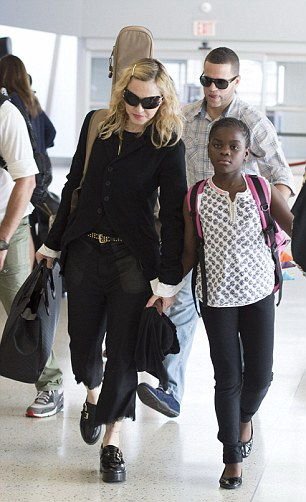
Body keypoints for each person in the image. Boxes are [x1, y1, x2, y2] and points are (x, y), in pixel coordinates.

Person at [36, 58, 187, 482]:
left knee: (122, 350)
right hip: (84, 250)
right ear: (122, 93)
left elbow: (174, 214)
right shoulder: (98, 126)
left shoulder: (167, 142)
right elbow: (75, 185)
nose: (140, 109)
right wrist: (51, 242)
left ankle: (113, 441)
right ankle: (92, 393)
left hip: (132, 260)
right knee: (83, 345)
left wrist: (169, 278)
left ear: (164, 100)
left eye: (150, 102)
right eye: (133, 99)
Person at [137, 46, 296, 418]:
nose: (212, 88)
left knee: (239, 336)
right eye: (206, 80)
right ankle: (171, 390)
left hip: (238, 249)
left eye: (220, 82)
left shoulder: (251, 122)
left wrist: (259, 219)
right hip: (189, 232)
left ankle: (242, 406)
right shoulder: (185, 117)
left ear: (236, 82)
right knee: (180, 310)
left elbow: (282, 177)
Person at [182, 117, 293, 489]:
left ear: (247, 152)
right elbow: (187, 253)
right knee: (227, 378)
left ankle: (244, 418)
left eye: (233, 146)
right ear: (209, 148)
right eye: (218, 145)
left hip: (260, 293)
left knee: (260, 376)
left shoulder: (261, 188)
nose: (225, 152)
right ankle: (231, 456)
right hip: (217, 299)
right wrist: (162, 290)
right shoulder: (196, 194)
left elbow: (294, 227)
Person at [0, 55, 63, 418]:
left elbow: (27, 179)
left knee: (22, 309)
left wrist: (4, 238)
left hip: (8, 227)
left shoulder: (6, 113)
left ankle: (51, 383)